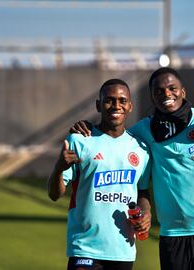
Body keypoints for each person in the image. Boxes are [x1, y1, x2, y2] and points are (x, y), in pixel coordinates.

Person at [71, 67, 194, 270]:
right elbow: (114, 136)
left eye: (172, 88)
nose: (166, 94)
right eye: (159, 91)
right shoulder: (144, 130)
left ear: (182, 92)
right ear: (152, 97)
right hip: (172, 236)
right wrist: (88, 128)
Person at [48, 79, 152, 270]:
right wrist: (59, 168)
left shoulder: (141, 149)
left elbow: (142, 191)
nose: (116, 106)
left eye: (122, 101)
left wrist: (146, 213)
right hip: (85, 248)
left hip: (123, 250)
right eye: (109, 100)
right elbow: (54, 194)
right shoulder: (80, 140)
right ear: (98, 105)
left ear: (130, 106)